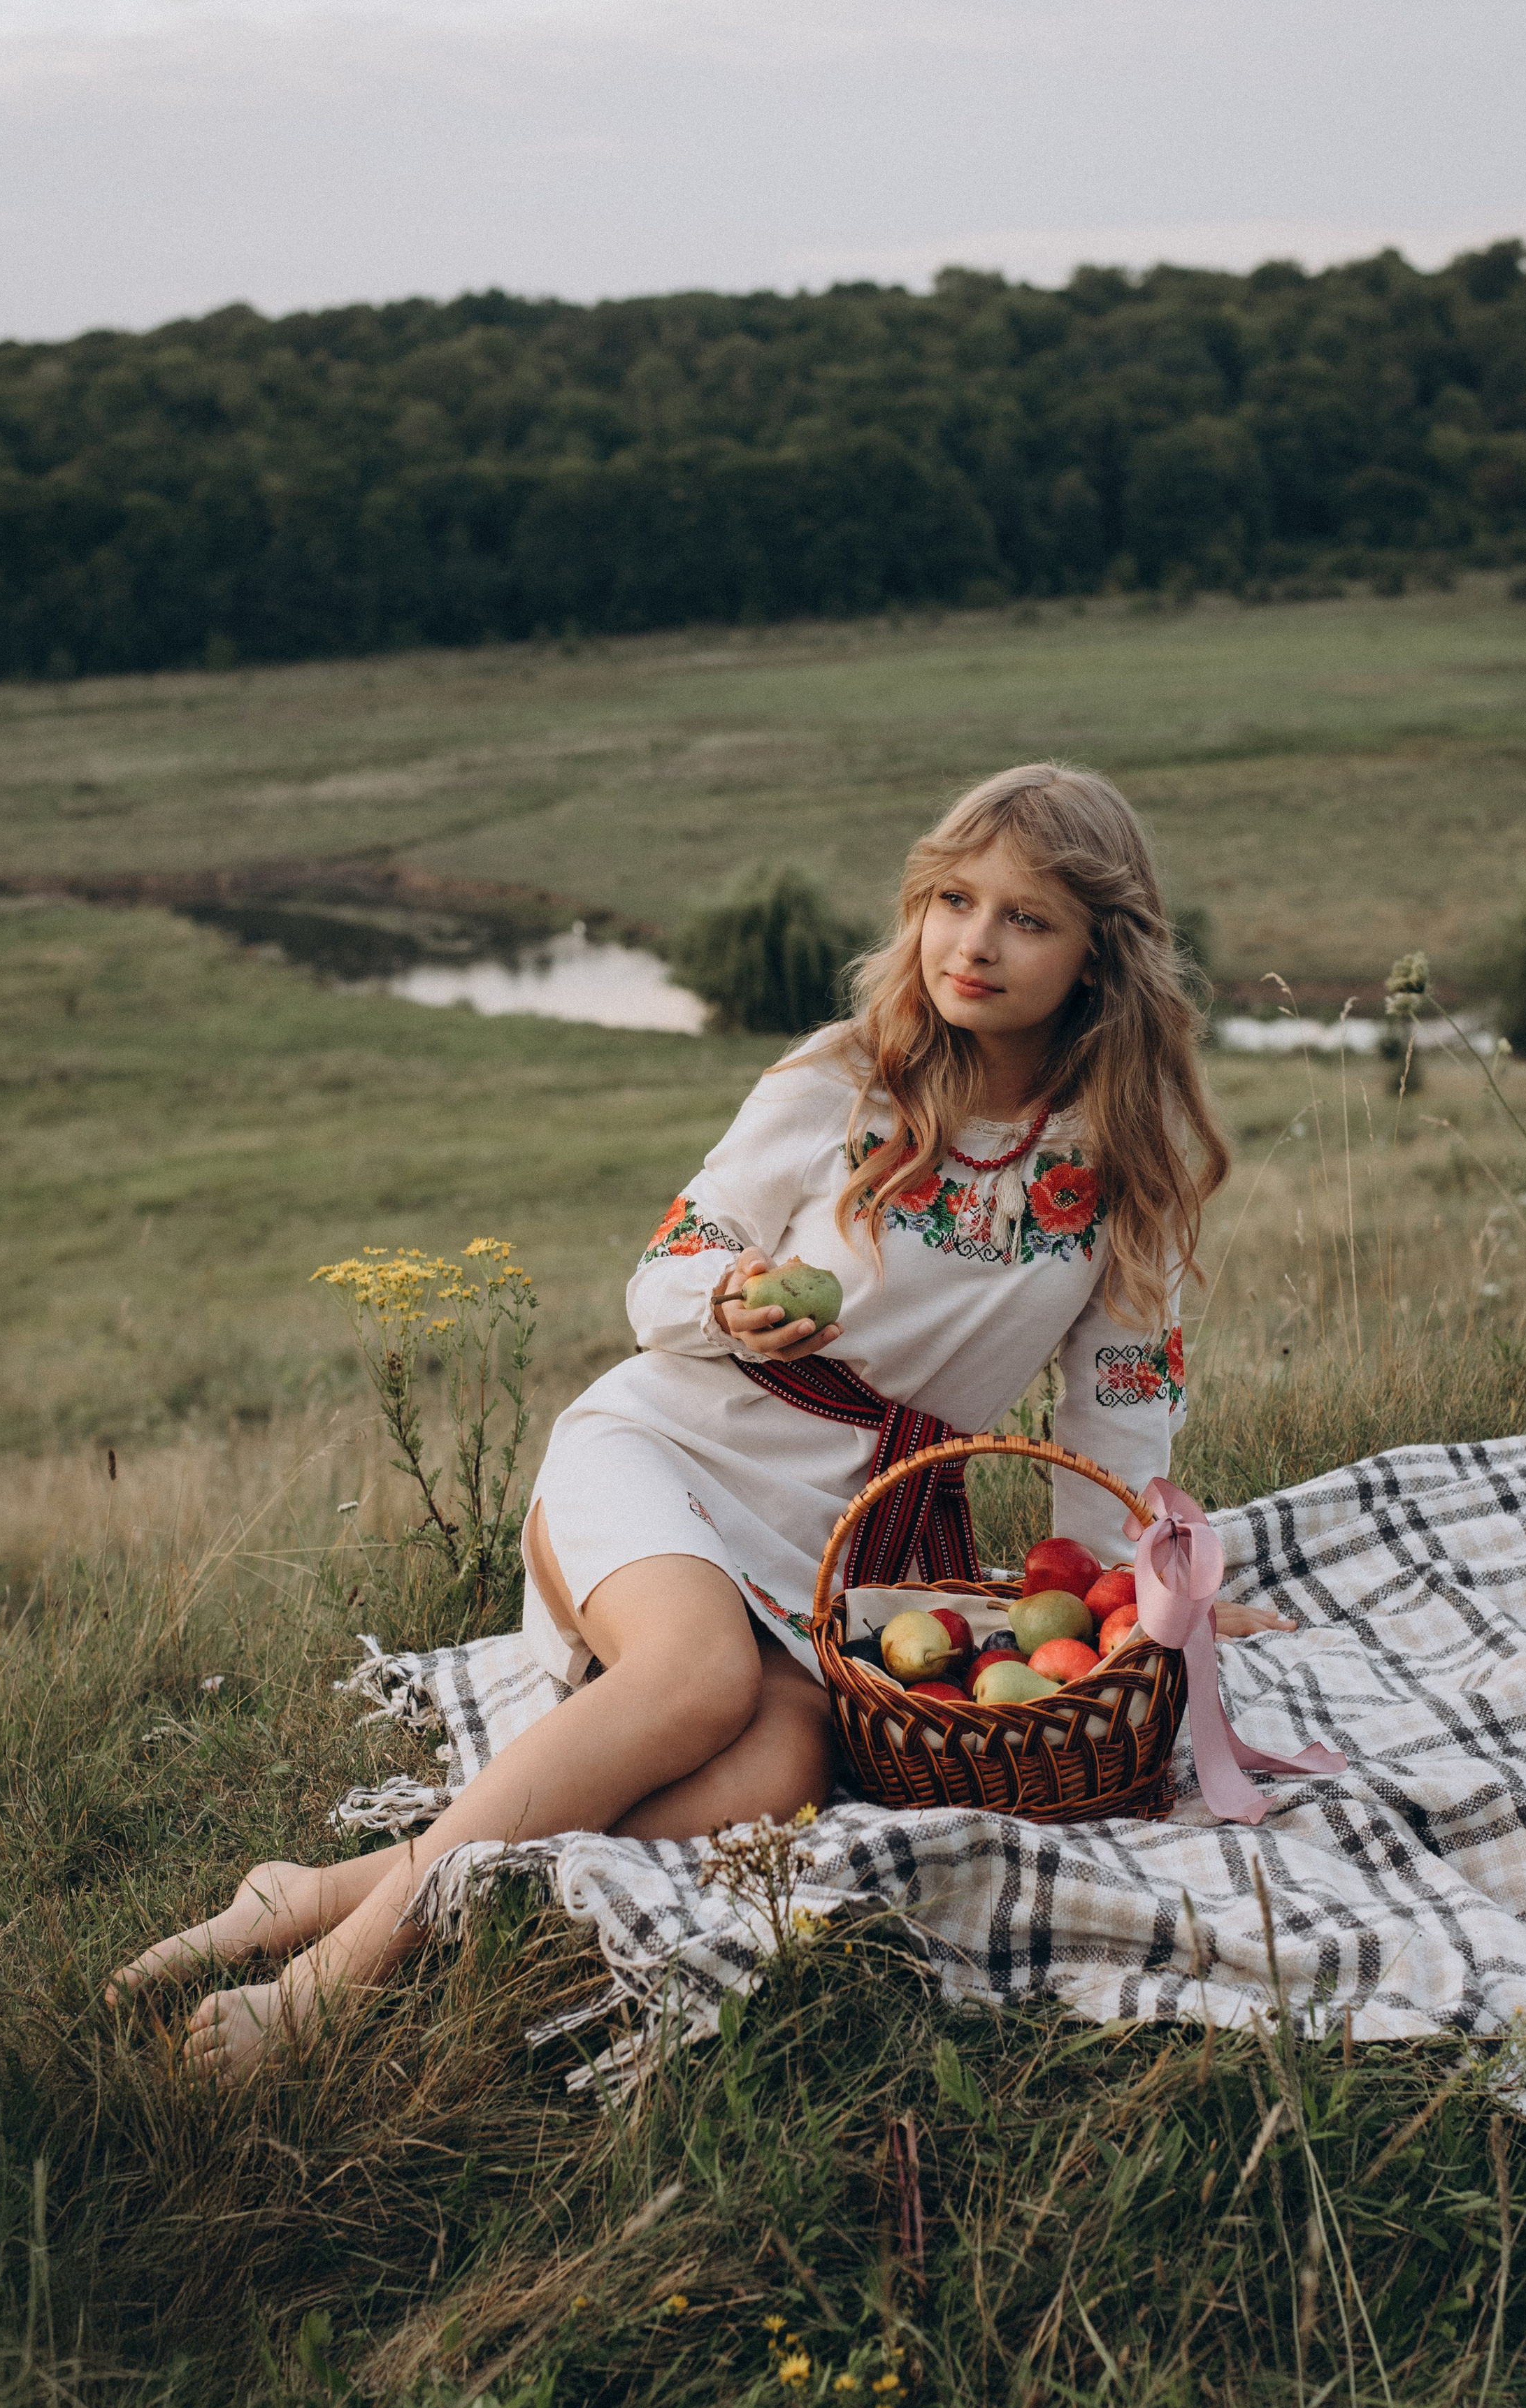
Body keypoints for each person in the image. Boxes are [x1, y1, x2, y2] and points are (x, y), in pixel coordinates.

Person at [112, 760, 1289, 2078]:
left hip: (840, 1548)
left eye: (1028, 918)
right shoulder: (843, 1081)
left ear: (1098, 954)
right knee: (697, 1678)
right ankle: (335, 1978)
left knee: (777, 1777)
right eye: (954, 900)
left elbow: (1118, 1405)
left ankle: (331, 1888)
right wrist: (726, 1298)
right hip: (663, 1451)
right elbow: (663, 1270)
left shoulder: (1124, 1156)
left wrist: (1137, 1600)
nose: (973, 943)